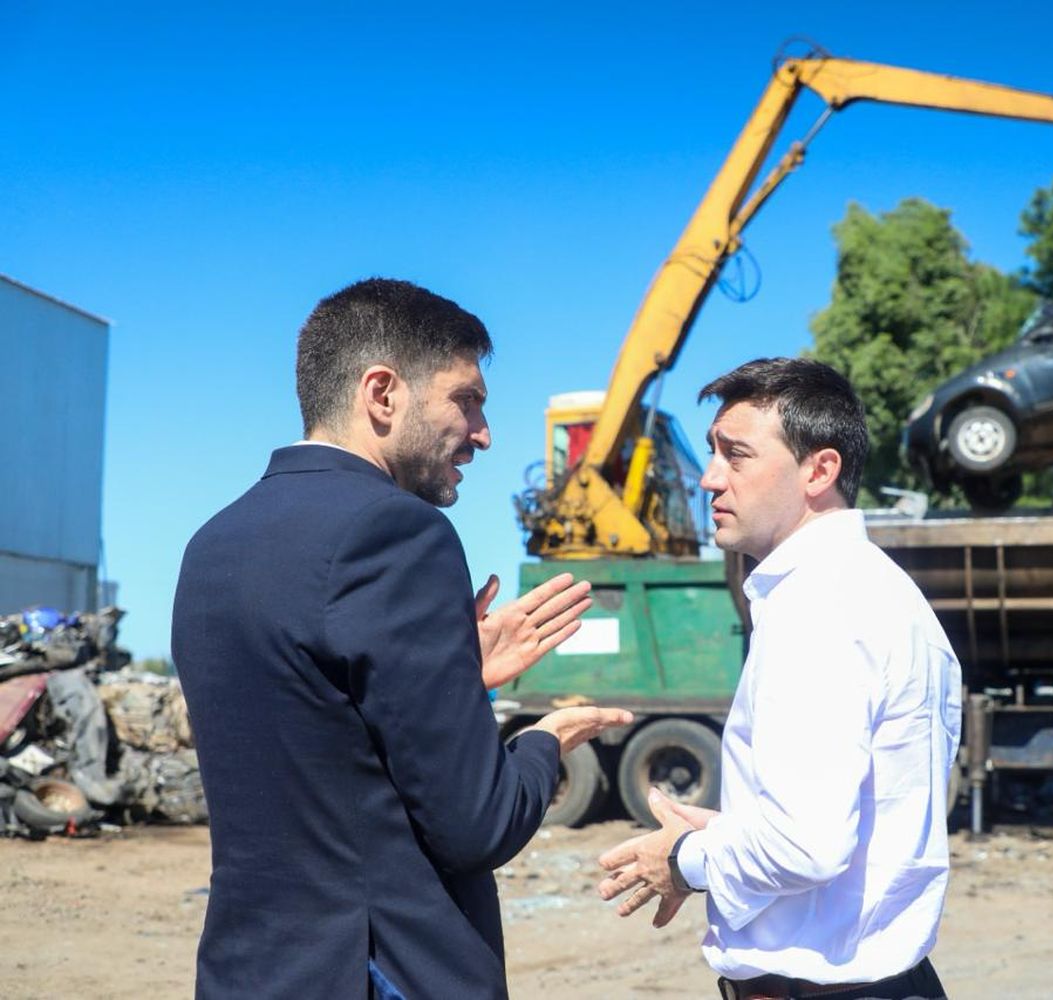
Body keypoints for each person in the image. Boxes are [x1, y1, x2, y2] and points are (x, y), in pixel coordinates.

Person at [172, 278, 630, 999]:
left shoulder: (212, 544)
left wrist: (455, 677)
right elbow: (478, 825)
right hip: (379, 974)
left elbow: (318, 736)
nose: (483, 434)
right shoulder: (398, 533)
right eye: (466, 400)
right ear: (382, 394)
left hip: (248, 974)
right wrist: (546, 742)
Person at [597, 358, 962, 1000]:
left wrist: (680, 862)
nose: (710, 478)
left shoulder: (818, 602)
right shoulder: (883, 590)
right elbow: (860, 816)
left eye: (736, 456)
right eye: (713, 452)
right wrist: (732, 831)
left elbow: (807, 846)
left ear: (818, 470)